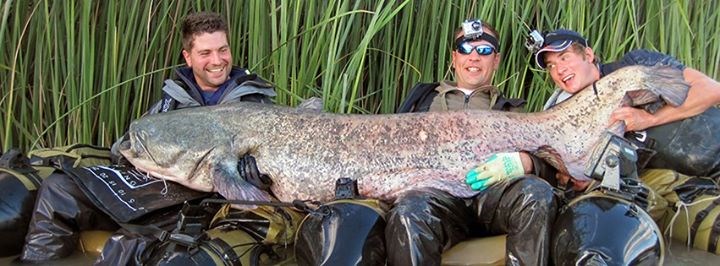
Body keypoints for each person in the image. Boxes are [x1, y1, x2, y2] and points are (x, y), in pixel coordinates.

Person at [20, 11, 276, 264]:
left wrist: (259, 181)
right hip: (161, 189)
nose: (217, 60)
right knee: (58, 188)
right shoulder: (173, 99)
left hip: (206, 201)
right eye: (205, 53)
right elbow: (125, 146)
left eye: (223, 49)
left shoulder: (255, 101)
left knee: (129, 245)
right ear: (188, 57)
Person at [467, 28, 720, 258]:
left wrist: (648, 118)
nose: (558, 70)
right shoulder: (561, 110)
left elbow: (711, 90)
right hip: (670, 188)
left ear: (588, 54)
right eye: (551, 66)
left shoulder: (634, 66)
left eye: (564, 57)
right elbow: (569, 172)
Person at [386, 19, 559, 265]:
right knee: (409, 210)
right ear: (455, 58)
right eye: (466, 49)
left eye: (485, 50)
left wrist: (527, 162)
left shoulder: (513, 111)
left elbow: (551, 164)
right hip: (437, 199)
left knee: (536, 193)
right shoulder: (421, 100)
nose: (474, 57)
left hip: (492, 198)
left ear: (496, 60)